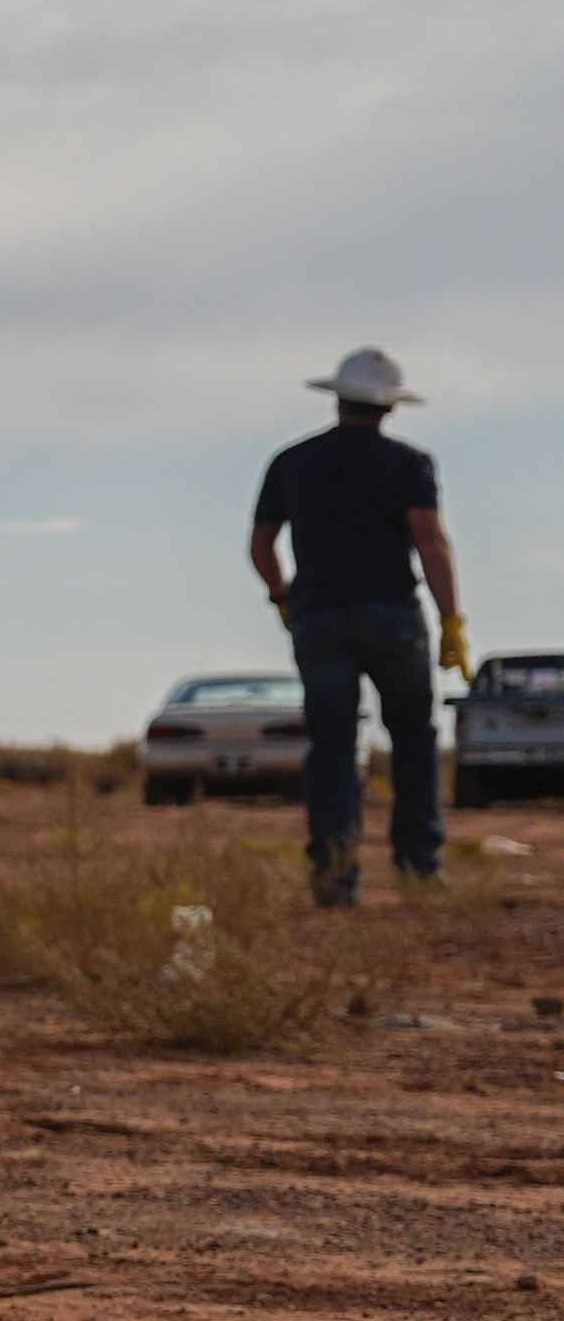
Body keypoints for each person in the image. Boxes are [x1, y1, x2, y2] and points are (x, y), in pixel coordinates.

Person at [253, 347, 463, 906]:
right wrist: (451, 619)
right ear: (389, 407)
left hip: (320, 617)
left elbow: (261, 544)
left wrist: (282, 596)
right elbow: (429, 540)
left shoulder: (292, 462)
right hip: (392, 615)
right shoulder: (408, 463)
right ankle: (421, 869)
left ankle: (335, 876)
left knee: (332, 747)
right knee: (414, 738)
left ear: (338, 398)